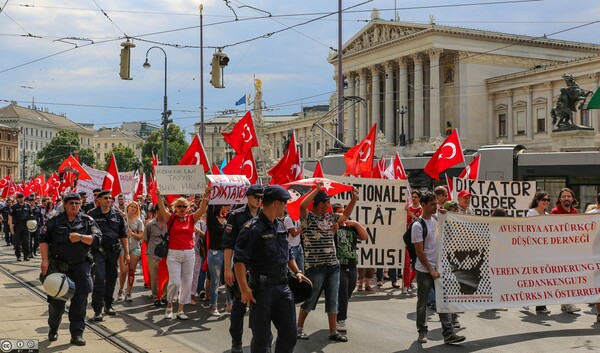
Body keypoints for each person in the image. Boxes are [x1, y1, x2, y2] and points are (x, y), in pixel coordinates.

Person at [234, 185, 309, 353]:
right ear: (276, 203)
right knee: (262, 340)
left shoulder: (281, 225)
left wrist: (297, 271)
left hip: (283, 288)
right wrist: (244, 289)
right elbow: (239, 261)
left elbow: (288, 253)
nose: (286, 206)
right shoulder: (251, 228)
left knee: (290, 335)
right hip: (261, 291)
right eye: (284, 203)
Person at [296, 181, 358, 342]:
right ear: (321, 204)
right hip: (315, 266)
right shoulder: (308, 218)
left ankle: (333, 331)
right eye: (328, 202)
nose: (330, 205)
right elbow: (303, 206)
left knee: (333, 298)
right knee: (311, 298)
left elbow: (344, 215)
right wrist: (316, 190)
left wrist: (354, 199)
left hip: (333, 265)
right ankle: (298, 328)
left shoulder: (330, 217)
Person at [40, 193, 102, 346]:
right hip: (60, 266)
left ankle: (77, 334)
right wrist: (45, 261)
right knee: (57, 303)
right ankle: (53, 327)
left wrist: (81, 237)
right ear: (65, 204)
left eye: (77, 203)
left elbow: (98, 238)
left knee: (80, 303)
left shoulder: (88, 221)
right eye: (71, 203)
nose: (75, 205)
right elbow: (43, 240)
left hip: (81, 266)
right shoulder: (54, 221)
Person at [413, 191, 465, 345]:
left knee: (444, 301)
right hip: (424, 270)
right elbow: (419, 252)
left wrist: (444, 214)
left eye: (436, 203)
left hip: (439, 269)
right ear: (423, 205)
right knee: (422, 303)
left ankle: (448, 333)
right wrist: (431, 270)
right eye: (432, 204)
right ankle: (422, 331)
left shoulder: (436, 219)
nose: (436, 206)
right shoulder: (418, 225)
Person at [223, 184, 263, 353]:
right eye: (256, 197)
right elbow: (228, 244)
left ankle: (259, 342)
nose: (259, 200)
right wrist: (227, 269)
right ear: (247, 196)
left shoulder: (266, 215)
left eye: (262, 198)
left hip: (260, 269)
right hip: (241, 268)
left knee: (260, 308)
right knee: (239, 309)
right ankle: (236, 343)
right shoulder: (236, 215)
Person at [155, 188, 203, 320]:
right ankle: (169, 305)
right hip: (174, 254)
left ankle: (181, 309)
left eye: (184, 206)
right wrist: (159, 197)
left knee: (187, 282)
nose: (182, 208)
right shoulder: (171, 218)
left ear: (188, 208)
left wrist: (207, 196)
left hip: (189, 253)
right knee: (175, 282)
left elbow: (202, 209)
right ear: (175, 207)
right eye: (179, 206)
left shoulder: (191, 218)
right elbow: (162, 209)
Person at [88, 190, 129, 322]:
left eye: (111, 198)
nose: (109, 200)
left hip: (113, 251)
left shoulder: (117, 215)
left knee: (112, 278)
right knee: (100, 279)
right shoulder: (91, 215)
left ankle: (108, 304)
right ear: (98, 200)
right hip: (98, 251)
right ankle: (97, 310)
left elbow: (123, 235)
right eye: (105, 198)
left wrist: (127, 252)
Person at [332, 203, 368, 334]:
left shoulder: (351, 228)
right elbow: (331, 234)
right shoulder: (333, 226)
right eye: (340, 213)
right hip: (338, 265)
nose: (344, 215)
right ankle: (341, 319)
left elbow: (364, 237)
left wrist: (357, 224)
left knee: (348, 291)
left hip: (352, 265)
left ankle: (335, 311)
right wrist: (336, 225)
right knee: (342, 290)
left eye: (344, 212)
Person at [198, 186, 232, 317]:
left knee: (230, 279)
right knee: (215, 281)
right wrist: (208, 194)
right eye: (225, 205)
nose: (228, 207)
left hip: (227, 253)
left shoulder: (229, 218)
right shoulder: (212, 219)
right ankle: (214, 306)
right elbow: (208, 205)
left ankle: (229, 304)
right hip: (215, 253)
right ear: (219, 206)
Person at [550, 188, 582, 313]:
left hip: (572, 250)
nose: (566, 198)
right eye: (564, 196)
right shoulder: (555, 212)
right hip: (560, 251)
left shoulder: (575, 212)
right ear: (559, 199)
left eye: (569, 196)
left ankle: (565, 303)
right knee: (566, 277)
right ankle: (568, 303)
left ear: (573, 199)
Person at [524, 191, 552, 314]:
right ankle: (528, 299)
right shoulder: (531, 213)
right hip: (533, 251)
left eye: (547, 200)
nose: (546, 202)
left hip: (544, 251)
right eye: (543, 200)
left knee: (543, 277)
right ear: (537, 201)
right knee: (534, 277)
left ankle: (541, 305)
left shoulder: (547, 215)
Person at [117, 201, 145, 302]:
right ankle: (121, 289)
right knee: (123, 271)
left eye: (135, 207)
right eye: (131, 206)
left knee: (131, 271)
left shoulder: (139, 221)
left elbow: (141, 236)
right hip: (123, 248)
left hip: (135, 248)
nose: (133, 208)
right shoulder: (122, 219)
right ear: (127, 208)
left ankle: (128, 292)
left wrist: (132, 234)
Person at [143, 207, 168, 306]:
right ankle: (156, 297)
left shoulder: (169, 223)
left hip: (166, 255)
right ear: (157, 211)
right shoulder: (149, 224)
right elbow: (146, 239)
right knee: (154, 278)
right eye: (162, 210)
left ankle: (164, 296)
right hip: (153, 254)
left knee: (166, 276)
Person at [401, 189, 423, 294]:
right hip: (407, 239)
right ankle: (405, 285)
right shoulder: (407, 208)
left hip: (417, 240)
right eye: (412, 197)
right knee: (406, 264)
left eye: (416, 197)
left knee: (416, 263)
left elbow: (418, 222)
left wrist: (409, 212)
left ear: (419, 199)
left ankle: (409, 281)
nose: (413, 198)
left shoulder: (422, 210)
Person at [585, 193, 600, 323]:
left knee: (598, 285)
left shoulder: (590, 214)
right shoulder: (591, 214)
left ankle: (599, 312)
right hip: (595, 255)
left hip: (594, 256)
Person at [9, 193, 32, 261]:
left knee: (26, 242)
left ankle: (26, 256)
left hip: (26, 226)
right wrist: (10, 225)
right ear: (17, 199)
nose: (21, 199)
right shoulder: (14, 207)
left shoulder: (27, 206)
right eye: (20, 198)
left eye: (22, 197)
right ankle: (18, 256)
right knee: (17, 243)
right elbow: (10, 216)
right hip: (17, 226)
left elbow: (31, 216)